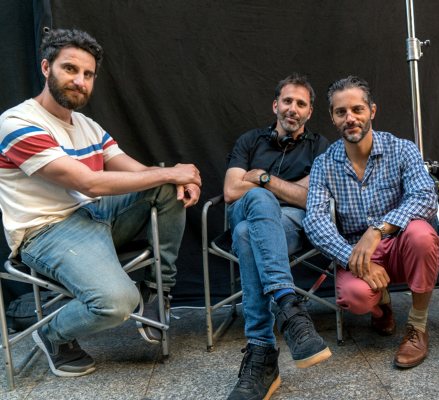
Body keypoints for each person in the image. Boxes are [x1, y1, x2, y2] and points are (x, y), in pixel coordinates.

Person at [0, 29, 201, 377]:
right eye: (70, 69)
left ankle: (157, 293)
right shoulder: (17, 122)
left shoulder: (88, 126)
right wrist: (171, 174)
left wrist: (178, 180)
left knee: (164, 185)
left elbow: (141, 173)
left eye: (88, 74)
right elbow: (87, 181)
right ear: (46, 67)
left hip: (92, 213)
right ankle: (52, 335)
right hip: (45, 232)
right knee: (116, 303)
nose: (80, 81)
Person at [304, 76, 439, 369]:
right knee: (354, 297)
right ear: (332, 117)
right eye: (341, 112)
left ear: (372, 111)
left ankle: (417, 328)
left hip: (401, 244)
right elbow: (314, 221)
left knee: (422, 235)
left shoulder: (401, 149)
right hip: (359, 252)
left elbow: (426, 197)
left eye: (357, 109)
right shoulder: (323, 164)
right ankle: (382, 306)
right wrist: (354, 259)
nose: (350, 118)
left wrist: (378, 230)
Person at [223, 74, 331, 400]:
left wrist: (264, 179)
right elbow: (230, 190)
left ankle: (262, 353)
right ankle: (289, 306)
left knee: (246, 234)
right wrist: (279, 191)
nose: (293, 109)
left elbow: (309, 199)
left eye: (301, 104)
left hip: (290, 225)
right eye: (287, 101)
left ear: (309, 112)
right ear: (275, 105)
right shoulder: (249, 140)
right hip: (244, 209)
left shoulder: (319, 147)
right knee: (257, 202)